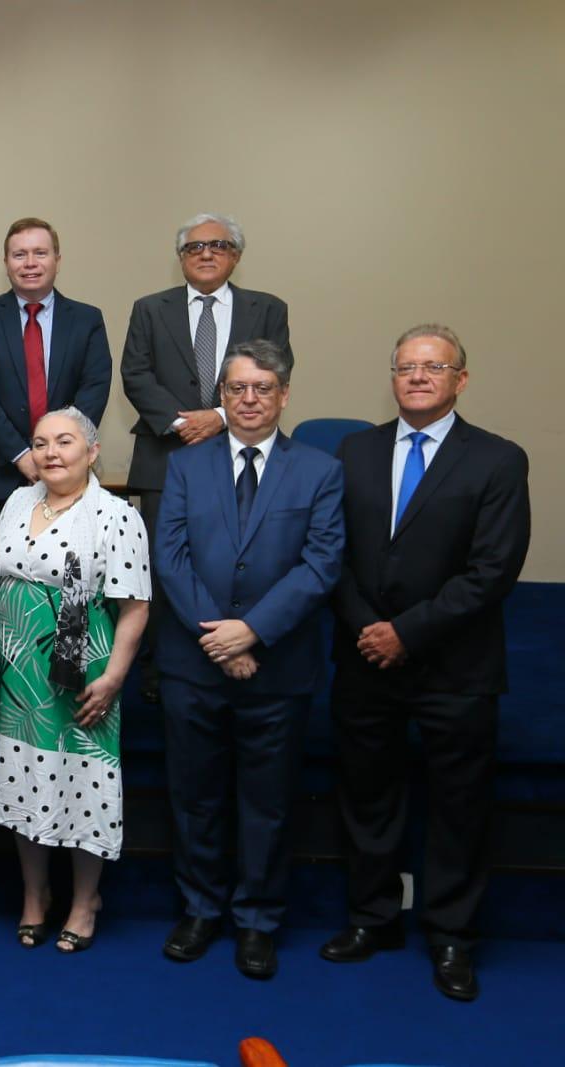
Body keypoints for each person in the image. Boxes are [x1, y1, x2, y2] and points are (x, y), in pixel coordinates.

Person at [322, 324, 530, 1002]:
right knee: (368, 796)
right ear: (392, 377)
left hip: (454, 664)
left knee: (459, 804)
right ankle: (372, 918)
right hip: (365, 659)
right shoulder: (354, 451)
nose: (417, 376)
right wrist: (368, 628)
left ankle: (451, 935)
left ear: (460, 380)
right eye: (406, 366)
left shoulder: (498, 459)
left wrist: (406, 633)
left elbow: (493, 570)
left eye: (433, 367)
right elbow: (333, 554)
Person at [154, 340, 344, 980]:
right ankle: (200, 910)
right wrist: (220, 638)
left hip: (278, 669)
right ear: (222, 396)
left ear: (284, 395)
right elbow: (170, 558)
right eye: (237, 388)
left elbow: (321, 565)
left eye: (263, 388)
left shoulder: (320, 471)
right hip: (193, 665)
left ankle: (257, 920)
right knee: (195, 798)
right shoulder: (186, 466)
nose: (250, 399)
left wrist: (252, 632)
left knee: (268, 803)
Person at [0, 407, 149, 953]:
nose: (51, 453)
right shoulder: (18, 501)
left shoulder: (115, 515)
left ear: (92, 451)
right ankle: (34, 895)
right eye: (41, 443)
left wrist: (115, 677)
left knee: (82, 783)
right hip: (13, 671)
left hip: (81, 674)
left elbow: (135, 607)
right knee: (24, 780)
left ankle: (86, 901)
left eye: (64, 442)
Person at [120, 213, 293, 702]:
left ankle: (236, 650)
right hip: (164, 457)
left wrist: (219, 416)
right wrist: (184, 424)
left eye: (218, 245)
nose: (206, 253)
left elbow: (277, 369)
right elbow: (135, 375)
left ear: (236, 255)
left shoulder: (267, 308)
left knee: (236, 561)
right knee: (164, 566)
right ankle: (160, 672)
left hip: (243, 454)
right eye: (194, 247)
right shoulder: (150, 309)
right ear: (181, 258)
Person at [0, 217, 112, 546]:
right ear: (6, 262)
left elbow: (95, 386)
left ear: (57, 259)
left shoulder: (87, 319)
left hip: (68, 474)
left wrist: (57, 451)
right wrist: (21, 455)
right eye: (19, 255)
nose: (30, 263)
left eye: (40, 253)